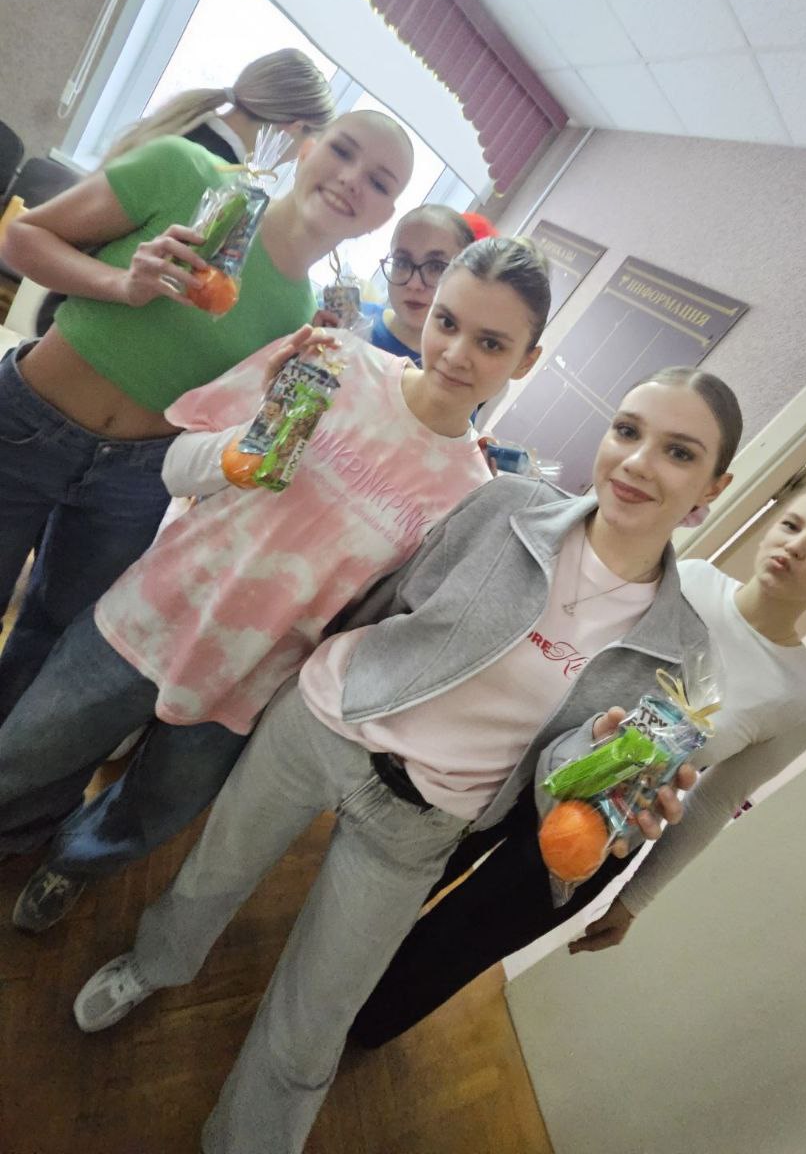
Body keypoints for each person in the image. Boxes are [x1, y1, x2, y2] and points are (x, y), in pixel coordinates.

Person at [71, 365, 742, 1154]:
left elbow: (564, 775)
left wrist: (606, 798)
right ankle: (154, 965)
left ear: (713, 486)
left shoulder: (678, 650)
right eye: (628, 431)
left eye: (678, 452)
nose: (636, 462)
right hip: (325, 725)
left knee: (317, 1016)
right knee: (210, 878)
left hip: (428, 818)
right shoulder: (506, 505)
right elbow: (397, 599)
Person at [0, 237, 548, 929]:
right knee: (31, 750)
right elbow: (175, 466)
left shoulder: (469, 496)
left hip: (253, 678)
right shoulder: (333, 361)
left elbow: (376, 620)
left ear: (525, 361)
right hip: (158, 608)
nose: (457, 354)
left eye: (491, 343)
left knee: (154, 807)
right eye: (448, 322)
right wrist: (238, 453)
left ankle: (73, 864)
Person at [349, 485, 806, 1049]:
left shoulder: (805, 700)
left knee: (455, 948)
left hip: (600, 834)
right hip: (520, 768)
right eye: (793, 525)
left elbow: (714, 802)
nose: (796, 546)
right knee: (400, 881)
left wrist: (635, 900)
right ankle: (319, 978)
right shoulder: (691, 580)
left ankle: (345, 1038)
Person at [0, 109, 408, 718]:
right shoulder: (187, 174)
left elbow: (219, 429)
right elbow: (21, 237)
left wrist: (290, 391)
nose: (353, 179)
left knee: (47, 642)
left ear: (383, 217)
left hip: (133, 482)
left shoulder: (304, 318)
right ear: (304, 148)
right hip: (25, 423)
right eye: (343, 151)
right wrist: (121, 283)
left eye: (378, 182)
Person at [33, 49, 336, 336]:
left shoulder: (190, 133)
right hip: (78, 321)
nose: (296, 158)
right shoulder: (202, 172)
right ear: (295, 128)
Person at [104, 47, 334, 165]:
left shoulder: (182, 125)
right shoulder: (215, 176)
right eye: (311, 140)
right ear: (295, 127)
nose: (298, 157)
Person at [363, 204, 477, 364]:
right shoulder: (348, 321)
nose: (414, 284)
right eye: (402, 262)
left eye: (436, 267)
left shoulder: (455, 369)